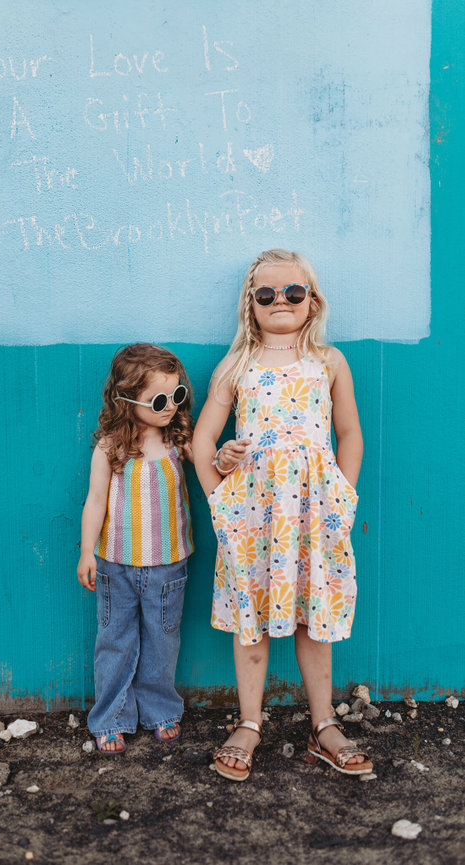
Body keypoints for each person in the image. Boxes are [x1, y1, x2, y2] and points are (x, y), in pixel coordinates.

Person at [193, 249, 373, 780]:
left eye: (293, 292)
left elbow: (350, 433)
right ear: (250, 304)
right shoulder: (236, 366)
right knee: (251, 614)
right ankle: (250, 722)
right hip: (252, 516)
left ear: (311, 301)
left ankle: (323, 725)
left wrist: (343, 494)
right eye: (266, 294)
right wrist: (219, 496)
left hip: (316, 513)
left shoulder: (330, 362)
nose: (280, 301)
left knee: (313, 612)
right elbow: (205, 439)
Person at [77, 343, 195, 754]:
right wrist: (86, 551)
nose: (170, 407)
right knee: (115, 640)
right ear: (125, 400)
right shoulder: (111, 448)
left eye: (177, 396)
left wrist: (227, 456)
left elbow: (215, 464)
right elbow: (94, 502)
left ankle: (161, 711)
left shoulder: (179, 441)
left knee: (163, 640)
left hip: (168, 565)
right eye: (159, 400)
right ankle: (111, 717)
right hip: (115, 565)